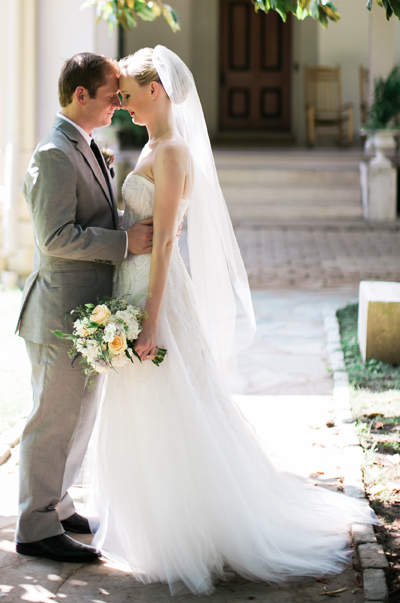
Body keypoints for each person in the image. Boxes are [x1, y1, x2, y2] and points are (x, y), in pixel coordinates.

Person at [87, 45, 375, 595]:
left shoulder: (171, 151)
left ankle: (189, 533)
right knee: (145, 408)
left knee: (174, 406)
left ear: (158, 90)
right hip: (133, 284)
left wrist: (150, 322)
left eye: (127, 96)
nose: (121, 105)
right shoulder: (154, 144)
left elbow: (168, 241)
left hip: (157, 294)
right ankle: (157, 527)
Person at [14, 52, 153, 564]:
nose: (119, 104)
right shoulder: (54, 153)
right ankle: (34, 527)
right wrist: (124, 243)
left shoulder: (87, 144)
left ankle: (58, 502)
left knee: (78, 416)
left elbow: (90, 213)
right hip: (58, 311)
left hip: (86, 310)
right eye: (112, 95)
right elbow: (55, 237)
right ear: (81, 96)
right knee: (51, 420)